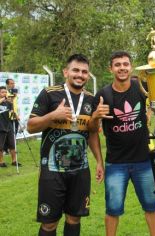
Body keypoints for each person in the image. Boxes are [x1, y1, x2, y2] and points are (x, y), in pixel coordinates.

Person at [27, 54, 104, 236]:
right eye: (75, 70)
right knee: (49, 223)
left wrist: (99, 161)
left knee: (74, 219)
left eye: (84, 72)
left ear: (88, 75)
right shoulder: (49, 93)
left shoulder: (91, 99)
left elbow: (92, 133)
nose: (80, 75)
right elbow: (30, 126)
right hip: (52, 171)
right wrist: (52, 116)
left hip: (80, 171)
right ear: (66, 72)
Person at [89, 51, 155, 236]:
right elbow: (92, 130)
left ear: (131, 66)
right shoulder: (103, 94)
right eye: (118, 64)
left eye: (125, 64)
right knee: (112, 210)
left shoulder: (141, 88)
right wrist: (95, 117)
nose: (122, 68)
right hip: (115, 163)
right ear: (110, 68)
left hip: (143, 161)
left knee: (151, 207)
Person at [0, 86, 18, 167]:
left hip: (8, 124)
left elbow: (11, 111)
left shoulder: (8, 102)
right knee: (0, 145)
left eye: (5, 92)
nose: (4, 94)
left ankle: (14, 161)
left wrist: (15, 115)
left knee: (12, 144)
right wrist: (2, 100)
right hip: (1, 125)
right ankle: (1, 162)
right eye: (2, 92)